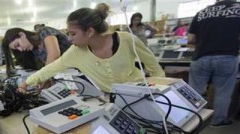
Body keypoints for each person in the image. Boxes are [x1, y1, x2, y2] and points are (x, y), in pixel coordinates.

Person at [18, 3, 165, 93]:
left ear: (89, 31)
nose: (69, 39)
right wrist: (25, 84)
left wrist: (161, 90)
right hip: (110, 98)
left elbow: (153, 66)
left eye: (73, 34)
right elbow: (51, 68)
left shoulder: (127, 39)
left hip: (140, 92)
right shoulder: (76, 52)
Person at [187, 0, 240, 127]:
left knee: (194, 92)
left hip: (200, 57)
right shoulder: (238, 10)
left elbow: (190, 39)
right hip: (227, 56)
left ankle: (190, 121)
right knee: (223, 92)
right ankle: (218, 120)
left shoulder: (202, 12)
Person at [2, 26, 71, 76]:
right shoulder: (35, 50)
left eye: (18, 45)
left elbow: (54, 55)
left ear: (22, 35)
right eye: (16, 49)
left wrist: (42, 77)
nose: (20, 49)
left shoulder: (44, 31)